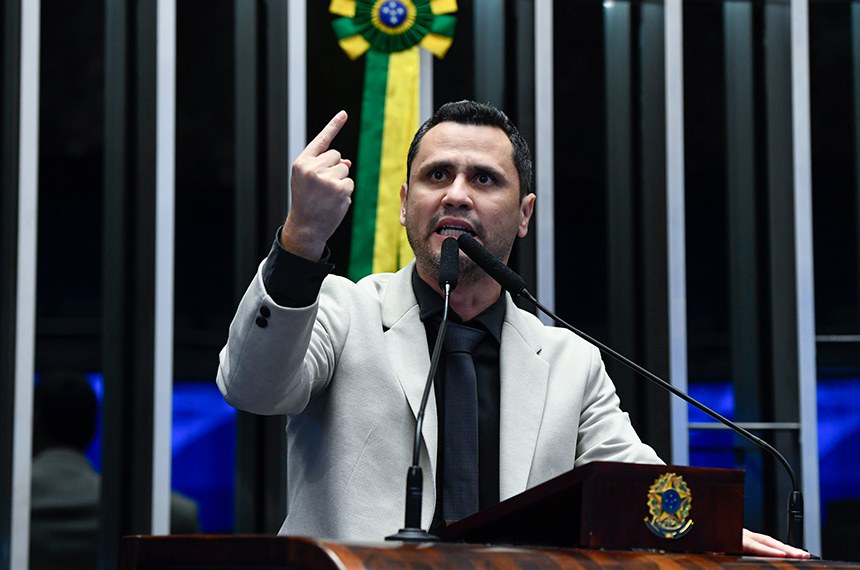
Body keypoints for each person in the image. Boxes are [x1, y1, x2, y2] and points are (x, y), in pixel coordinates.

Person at [217, 100, 808, 558]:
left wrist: (715, 531)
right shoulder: (342, 310)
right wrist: (301, 240)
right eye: (437, 175)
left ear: (524, 214)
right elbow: (252, 387)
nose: (455, 194)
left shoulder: (569, 362)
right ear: (404, 203)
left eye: (484, 179)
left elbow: (639, 490)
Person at [30, 372, 200, 570]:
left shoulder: (15, 505)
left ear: (34, 423)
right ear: (93, 429)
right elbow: (183, 514)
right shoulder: (171, 515)